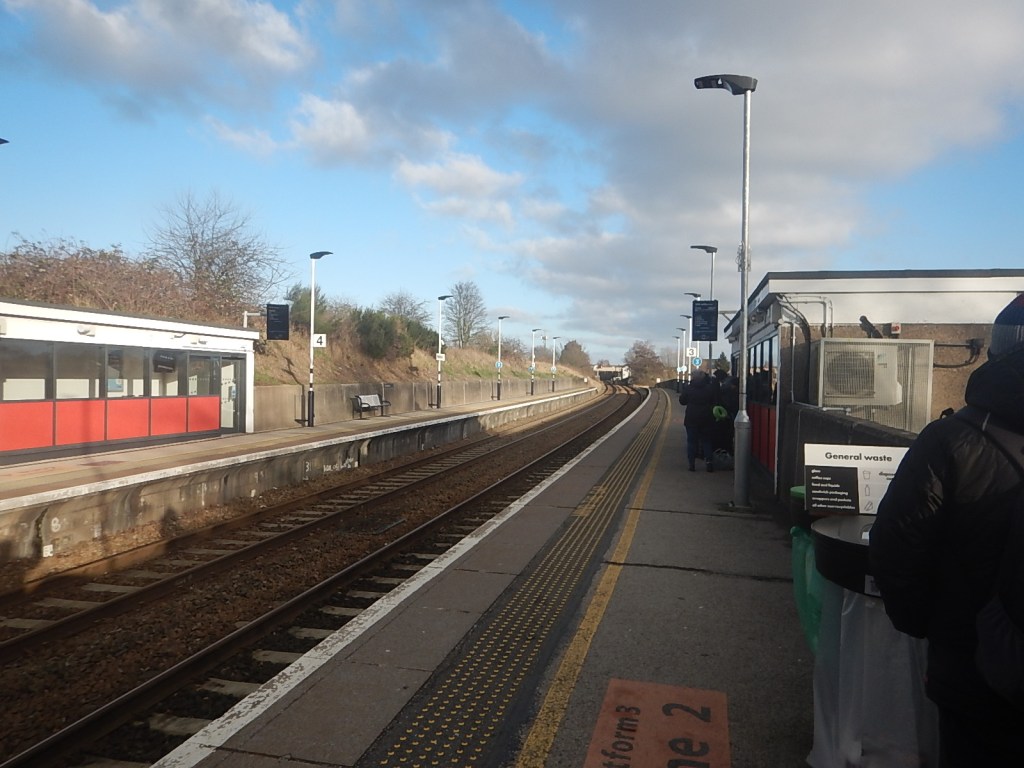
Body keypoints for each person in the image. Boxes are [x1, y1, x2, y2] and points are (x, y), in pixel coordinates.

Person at [869, 293, 1024, 767]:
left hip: (971, 662)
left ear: (997, 349)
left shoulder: (951, 439)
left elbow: (899, 546)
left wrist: (925, 628)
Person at [679, 370, 719, 472]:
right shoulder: (709, 388)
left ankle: (691, 464)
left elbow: (682, 401)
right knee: (706, 441)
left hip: (691, 418)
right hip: (706, 417)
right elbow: (714, 401)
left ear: (693, 377)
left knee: (691, 441)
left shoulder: (688, 388)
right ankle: (709, 462)